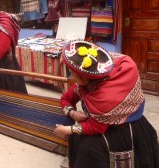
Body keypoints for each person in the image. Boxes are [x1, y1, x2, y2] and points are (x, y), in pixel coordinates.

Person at [54, 40, 159, 168]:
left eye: (74, 74)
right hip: (111, 128)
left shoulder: (106, 96)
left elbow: (97, 127)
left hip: (125, 132)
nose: (72, 77)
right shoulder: (84, 85)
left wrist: (67, 130)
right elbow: (65, 99)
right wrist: (72, 112)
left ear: (85, 77)